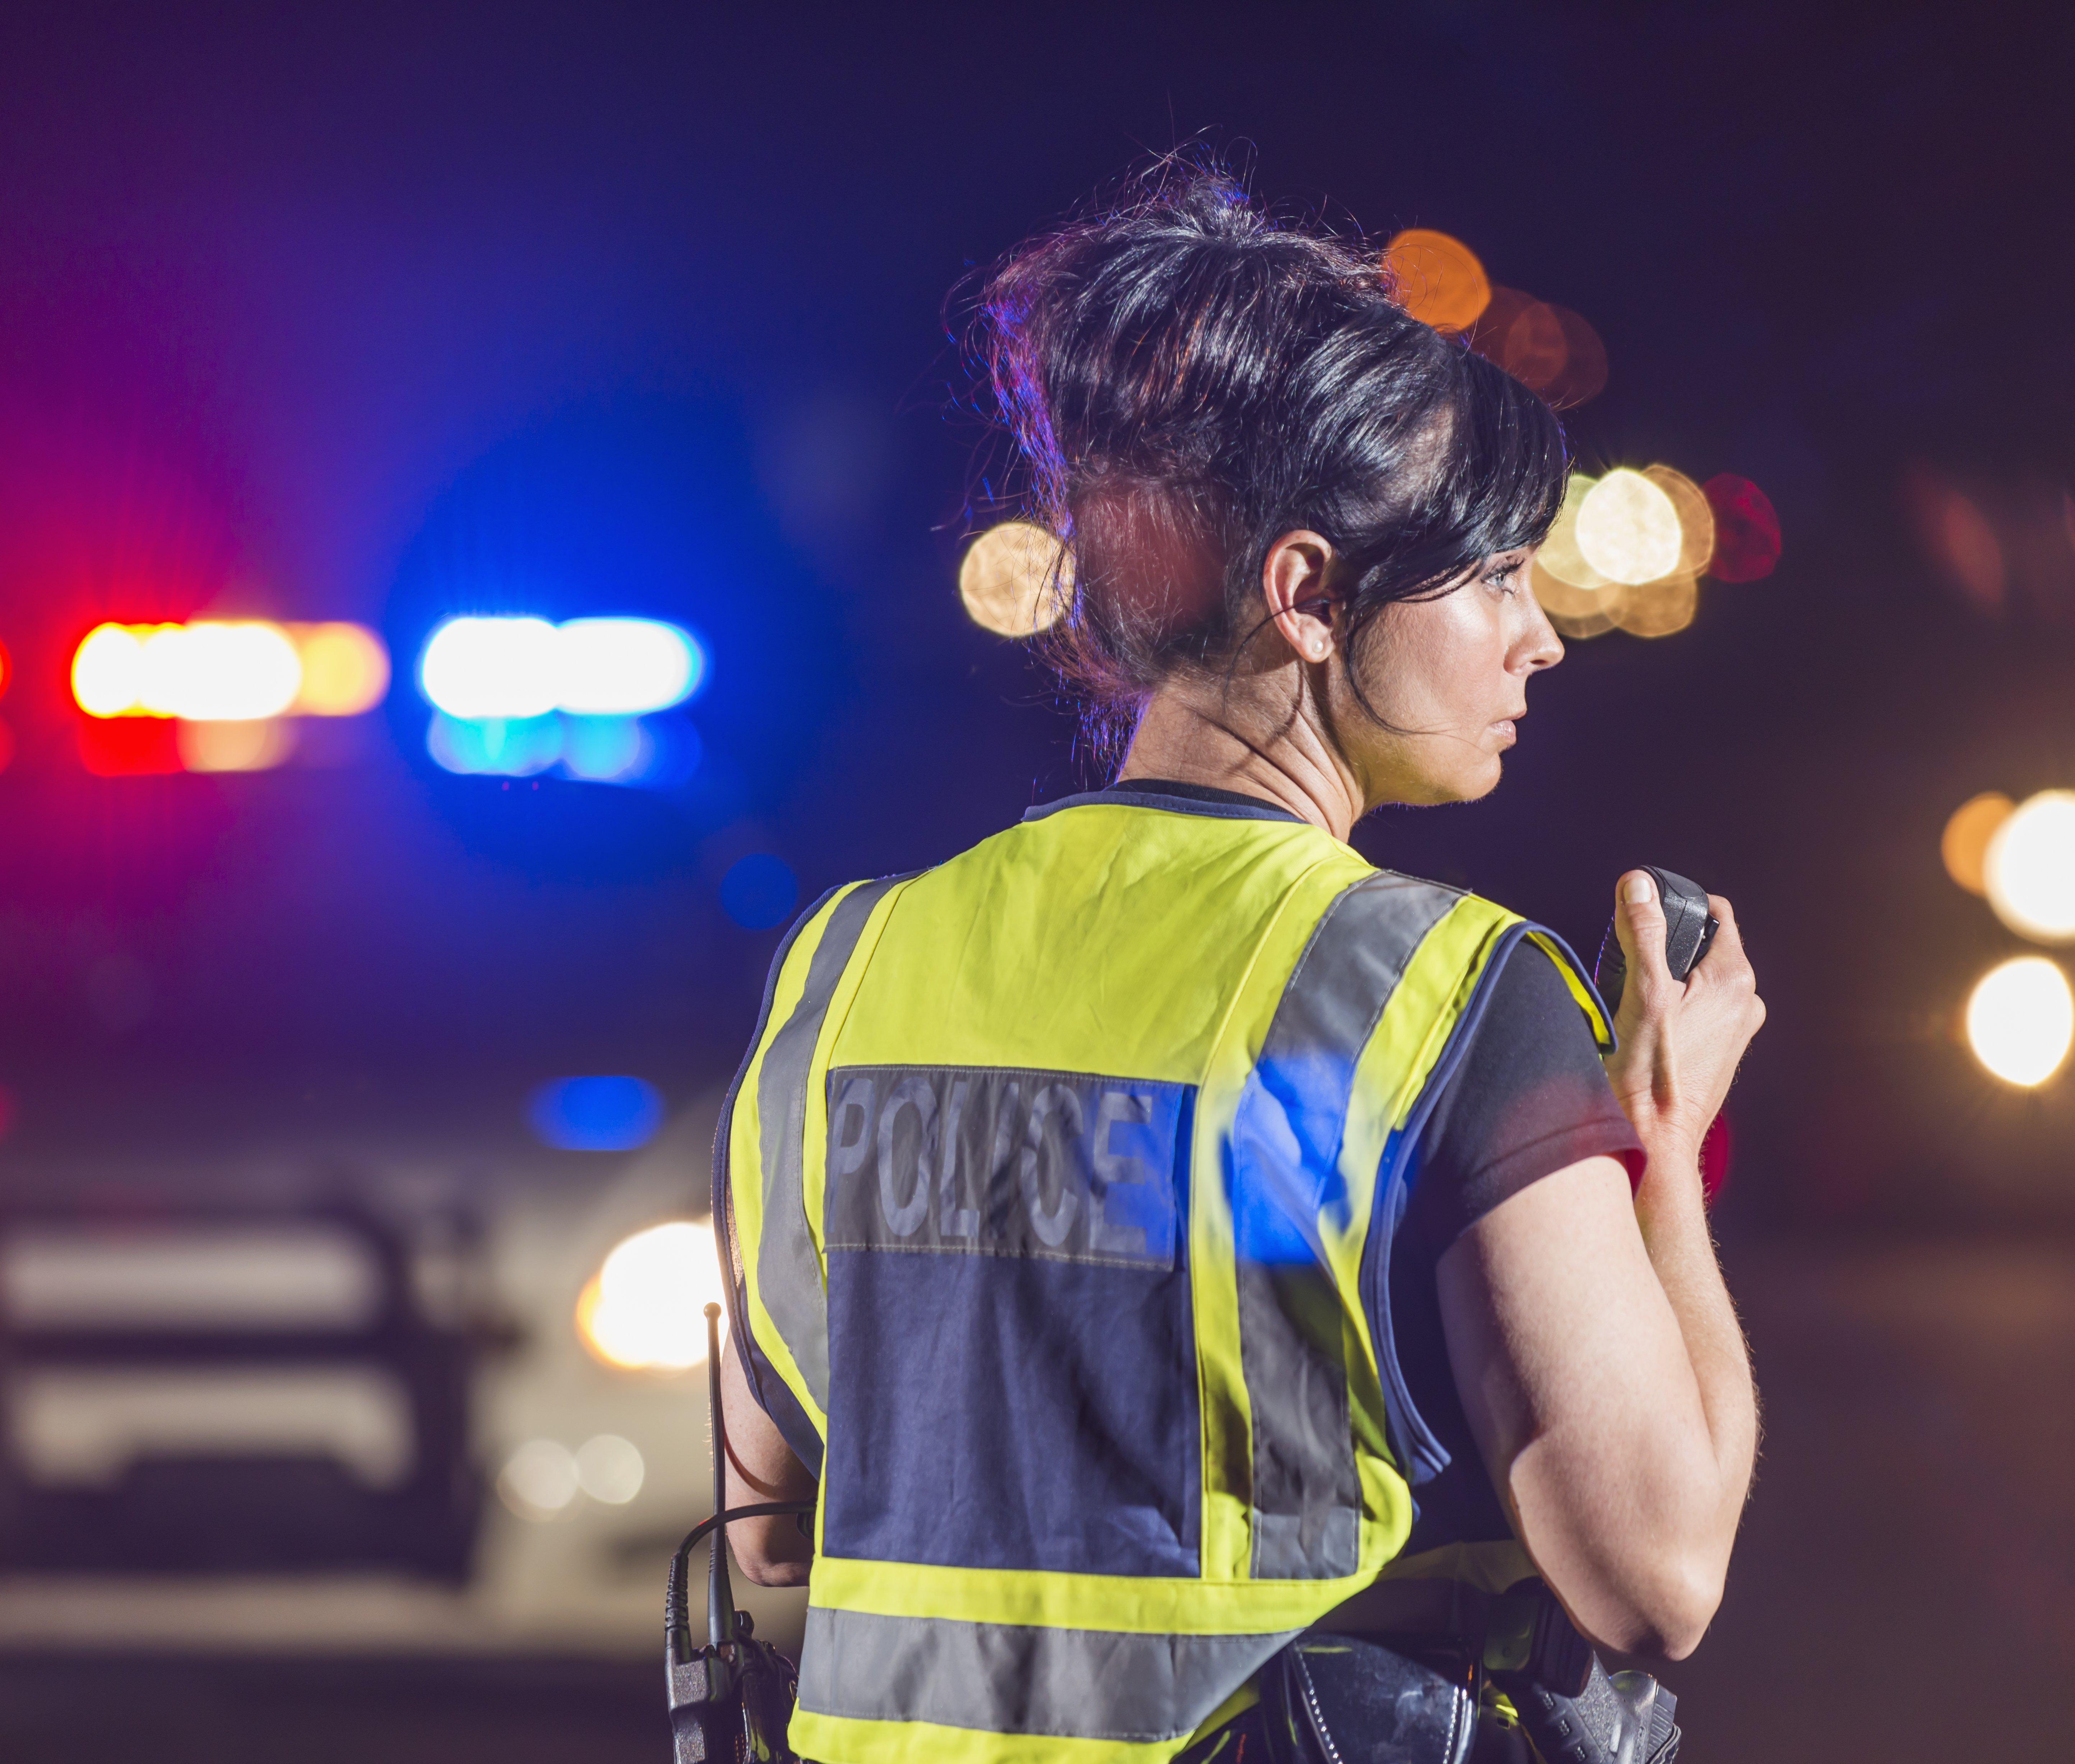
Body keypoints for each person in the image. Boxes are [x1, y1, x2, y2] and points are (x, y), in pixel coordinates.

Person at [710, 163, 1763, 1764]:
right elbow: (1654, 1574)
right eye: (1487, 576)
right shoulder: (1440, 994)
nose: (1535, 634)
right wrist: (1664, 1156)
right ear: (1309, 597)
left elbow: (764, 1522)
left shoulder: (851, 963)